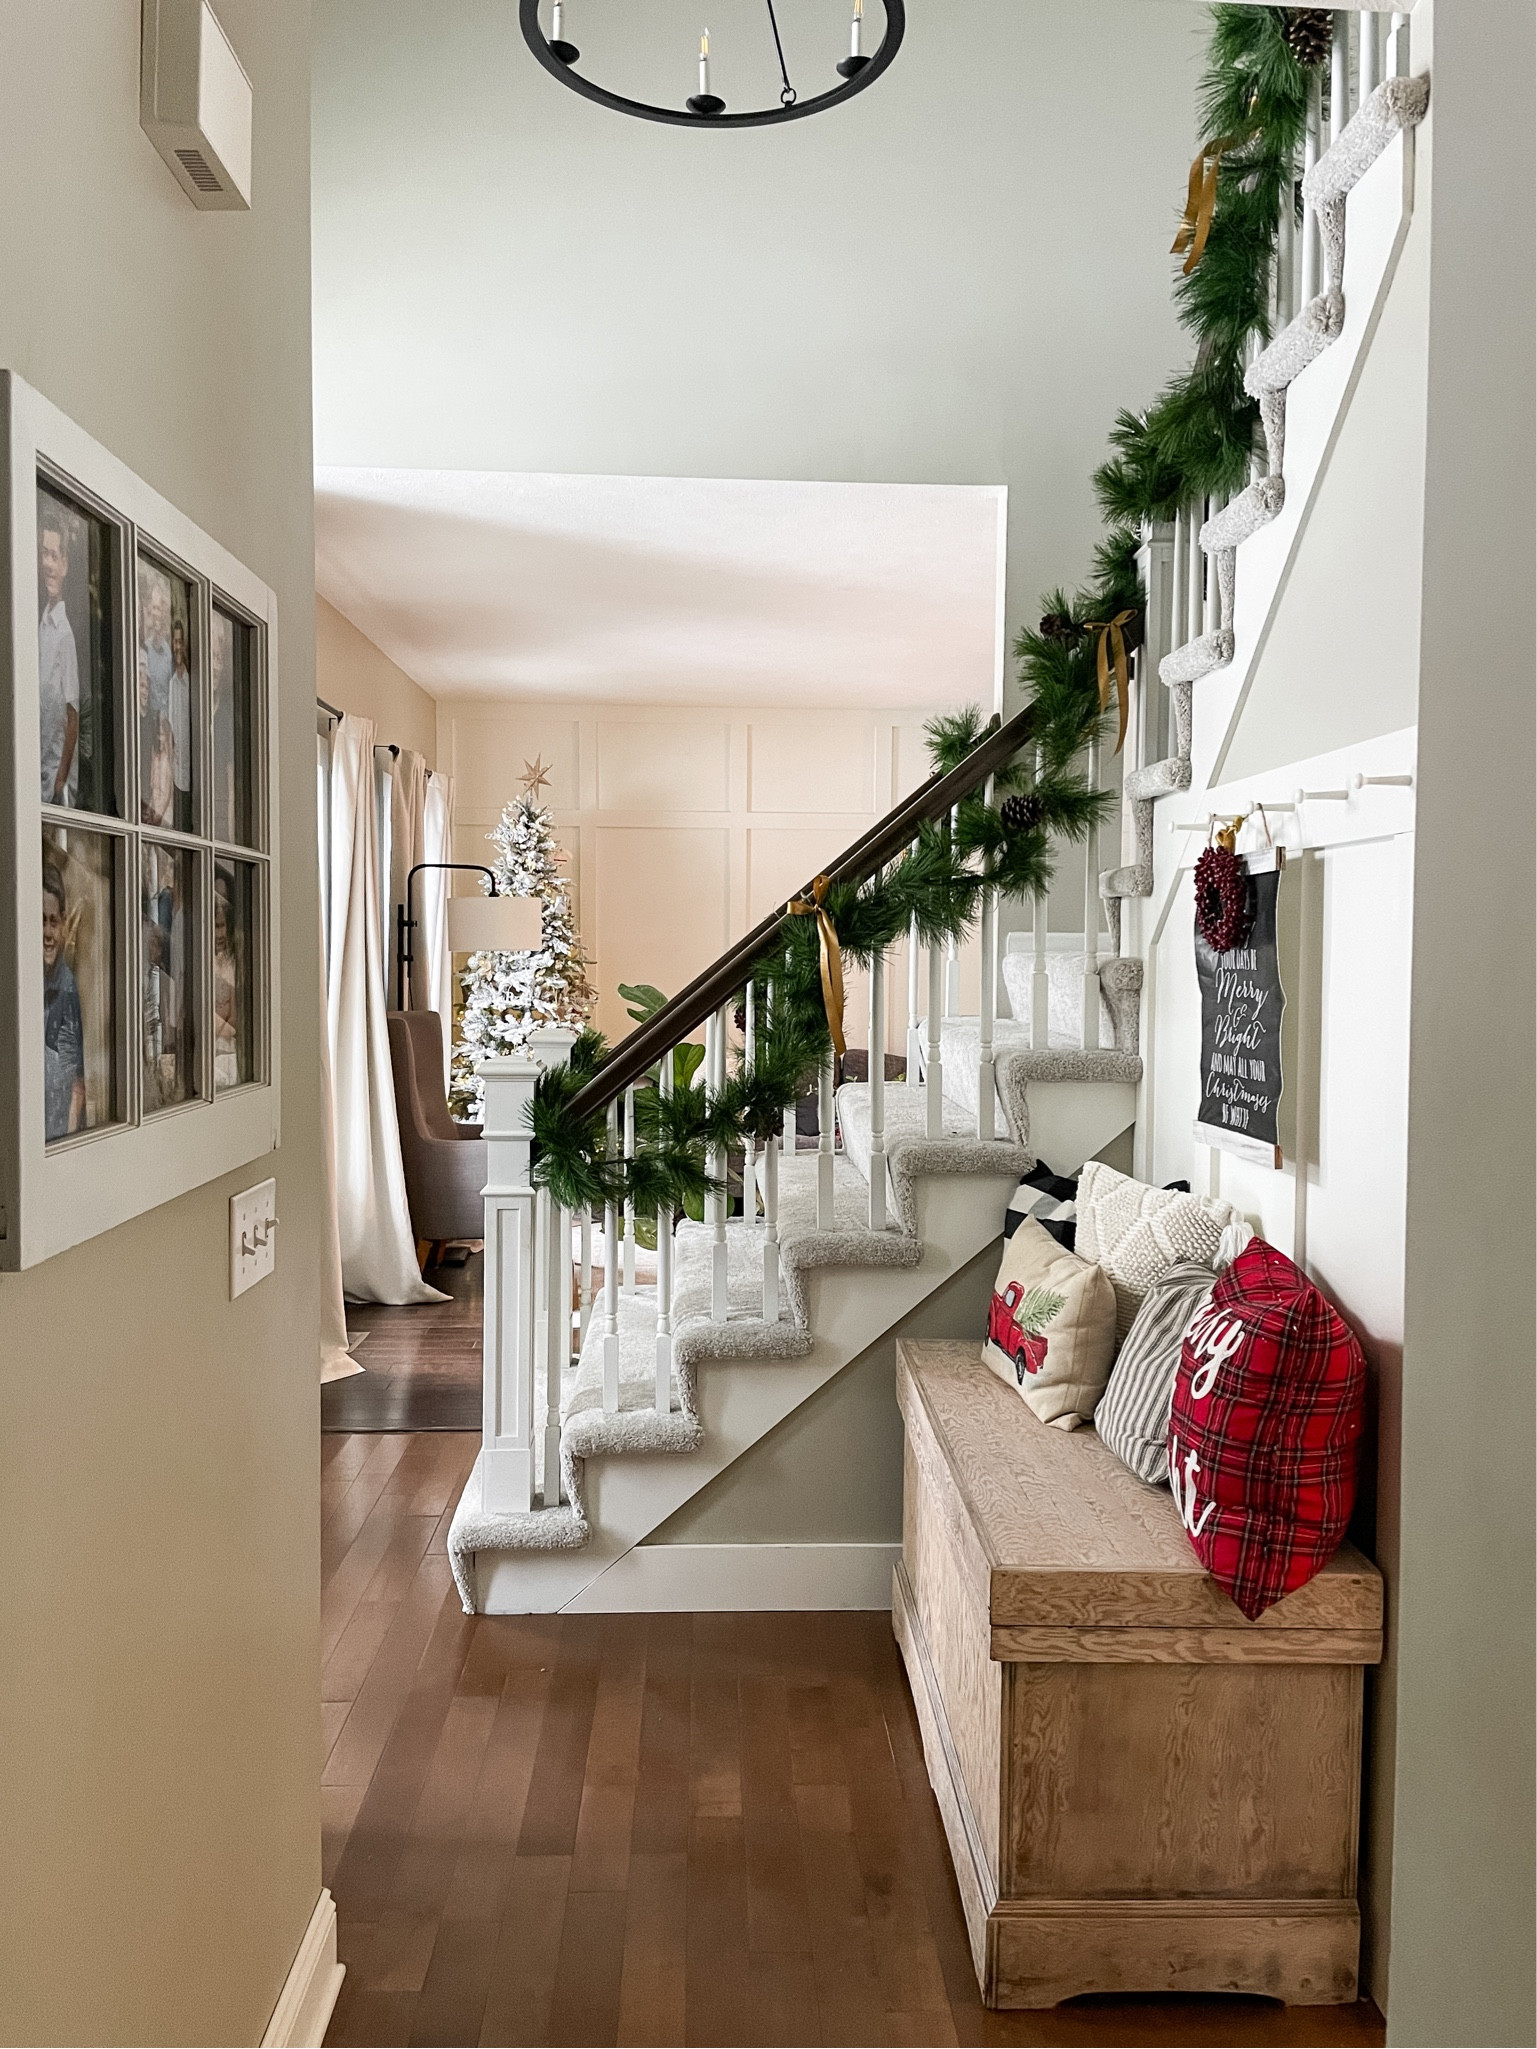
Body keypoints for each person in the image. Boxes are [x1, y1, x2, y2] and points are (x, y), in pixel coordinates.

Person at [38, 511, 79, 806]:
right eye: (44, 554)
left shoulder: (64, 635)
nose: (48, 564)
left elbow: (72, 717)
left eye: (54, 556)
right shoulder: (40, 625)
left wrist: (59, 782)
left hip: (51, 785)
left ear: (64, 565)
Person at [42, 865, 85, 1140]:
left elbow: (76, 1084)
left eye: (53, 921)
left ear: (64, 923)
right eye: (40, 921)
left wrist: (69, 1139)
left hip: (56, 1136)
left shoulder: (66, 988)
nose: (47, 932)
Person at [214, 875, 240, 1090]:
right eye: (214, 927)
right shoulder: (201, 964)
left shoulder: (233, 964)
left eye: (221, 926)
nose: (219, 934)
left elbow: (235, 1017)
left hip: (229, 1050)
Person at [169, 616, 193, 830]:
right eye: (174, 642)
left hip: (193, 775)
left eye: (180, 642)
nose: (177, 647)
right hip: (173, 775)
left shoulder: (192, 685)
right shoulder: (169, 684)